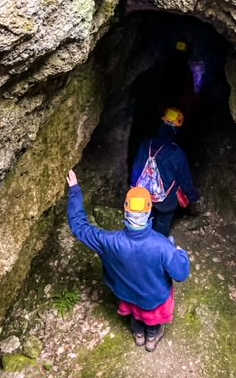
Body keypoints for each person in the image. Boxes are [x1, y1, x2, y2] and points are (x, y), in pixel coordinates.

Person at [67, 171, 191, 352]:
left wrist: (75, 190)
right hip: (154, 298)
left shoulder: (108, 242)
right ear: (149, 210)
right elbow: (181, 273)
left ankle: (138, 335)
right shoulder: (162, 246)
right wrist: (181, 254)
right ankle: (151, 338)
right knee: (151, 320)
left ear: (126, 209)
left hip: (127, 294)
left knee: (135, 315)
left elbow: (79, 226)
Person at [131, 107, 200, 236]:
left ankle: (141, 242)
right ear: (177, 128)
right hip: (166, 200)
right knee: (163, 222)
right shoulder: (176, 152)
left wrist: (134, 189)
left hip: (143, 196)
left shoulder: (146, 144)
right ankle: (157, 247)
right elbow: (185, 180)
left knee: (144, 221)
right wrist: (193, 196)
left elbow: (136, 168)